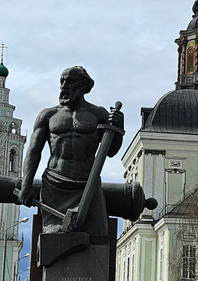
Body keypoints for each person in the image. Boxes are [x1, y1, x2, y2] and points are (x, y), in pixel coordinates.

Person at [19, 66, 123, 263]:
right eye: (62, 81)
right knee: (53, 238)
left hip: (88, 186)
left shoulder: (98, 114)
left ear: (83, 86)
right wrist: (26, 185)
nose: (64, 86)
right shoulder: (48, 115)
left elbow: (111, 151)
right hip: (54, 185)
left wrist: (118, 127)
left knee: (99, 238)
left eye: (70, 81)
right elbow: (33, 151)